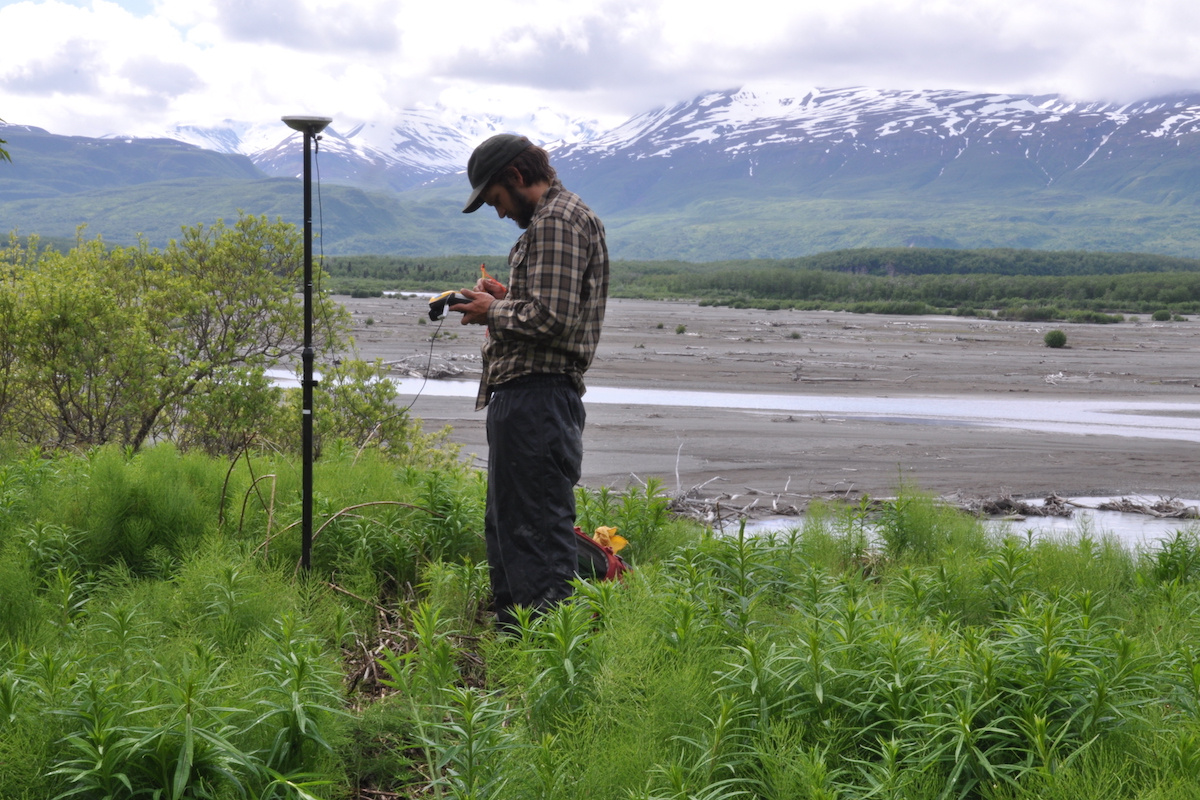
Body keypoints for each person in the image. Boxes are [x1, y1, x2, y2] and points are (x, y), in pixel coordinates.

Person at [455, 134, 609, 629]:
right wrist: (506, 296)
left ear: (517, 178)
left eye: (497, 200)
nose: (499, 213)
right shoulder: (554, 220)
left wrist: (492, 309)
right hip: (529, 401)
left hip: (537, 401)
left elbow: (553, 319)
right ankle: (519, 653)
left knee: (535, 537)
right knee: (509, 532)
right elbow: (546, 306)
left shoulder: (558, 221)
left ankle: (539, 661)